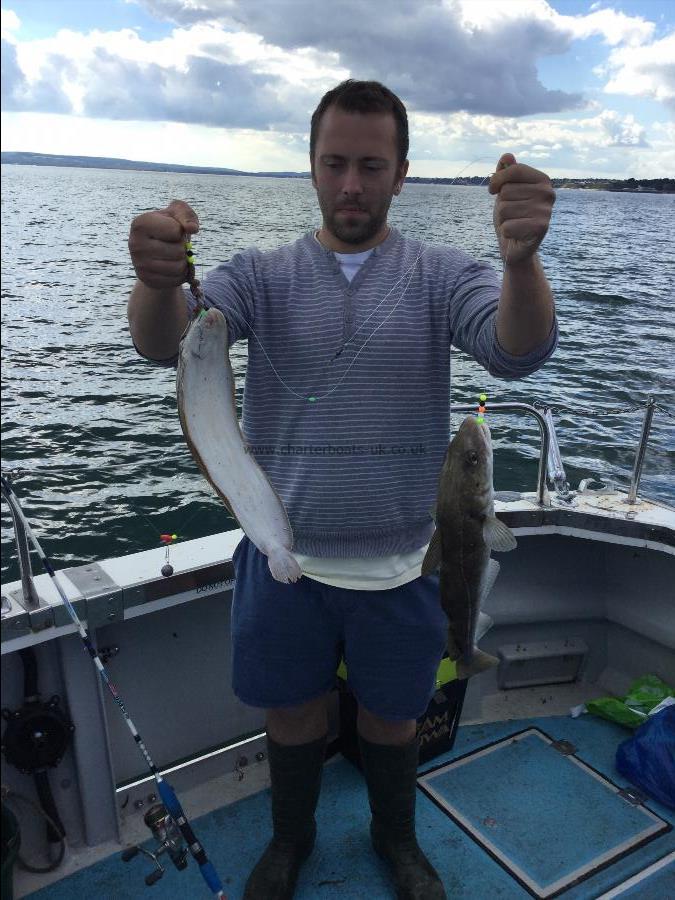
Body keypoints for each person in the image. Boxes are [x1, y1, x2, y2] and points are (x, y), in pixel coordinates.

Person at [127, 79, 557, 900]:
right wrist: (155, 280)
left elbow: (515, 351)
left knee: (393, 719)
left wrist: (521, 261)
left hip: (404, 564)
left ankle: (395, 839)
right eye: (334, 163)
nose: (350, 183)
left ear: (402, 172)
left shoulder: (441, 274)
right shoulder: (258, 275)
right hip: (282, 555)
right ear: (311, 167)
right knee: (291, 714)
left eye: (370, 164)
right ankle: (291, 840)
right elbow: (170, 344)